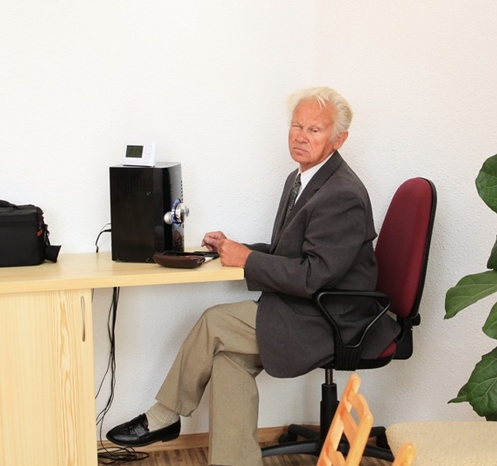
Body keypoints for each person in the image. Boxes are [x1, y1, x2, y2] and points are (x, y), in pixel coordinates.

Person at [106, 86, 400, 466]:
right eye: (296, 126)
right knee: (229, 361)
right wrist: (235, 247)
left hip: (334, 318)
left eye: (314, 130)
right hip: (308, 306)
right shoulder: (301, 179)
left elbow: (313, 276)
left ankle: (165, 415)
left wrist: (246, 260)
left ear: (338, 139)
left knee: (214, 323)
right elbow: (293, 254)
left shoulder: (341, 194)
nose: (301, 136)